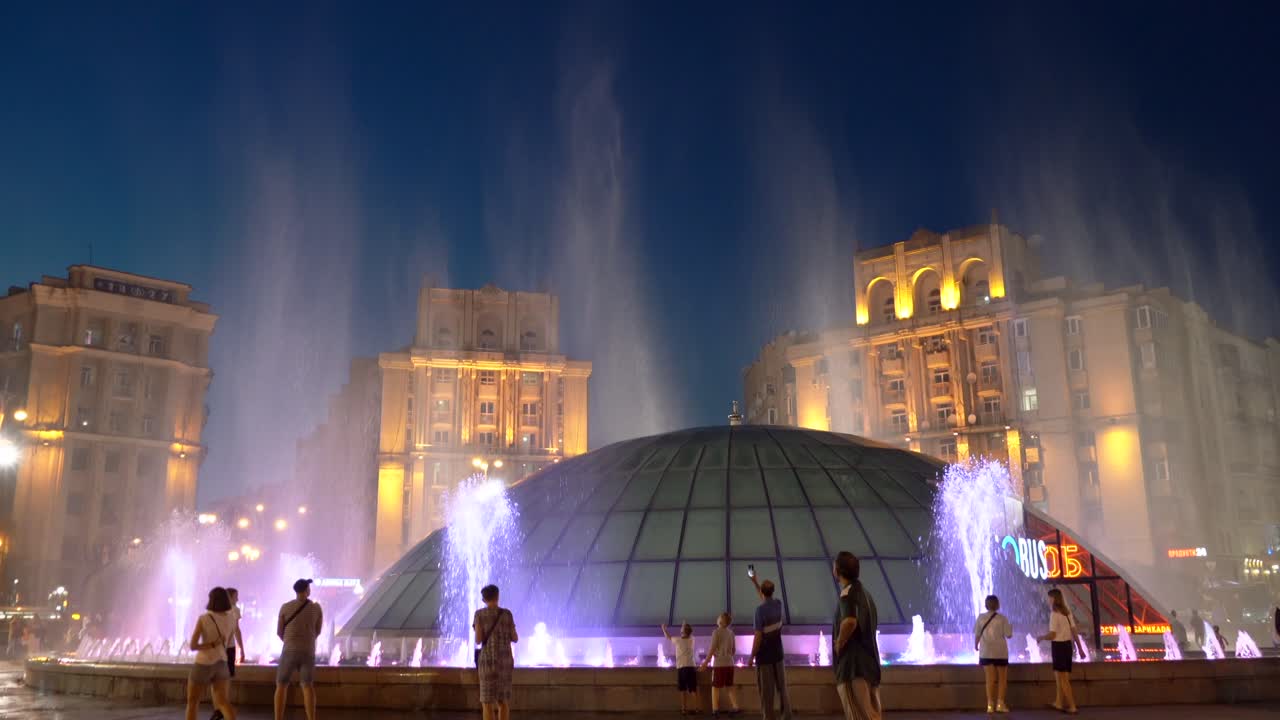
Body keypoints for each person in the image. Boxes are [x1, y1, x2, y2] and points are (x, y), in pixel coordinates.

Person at [832, 551, 881, 720]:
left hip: (853, 668)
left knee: (858, 715)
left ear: (838, 571)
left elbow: (850, 621)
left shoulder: (847, 594)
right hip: (869, 665)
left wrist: (839, 642)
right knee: (872, 715)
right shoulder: (866, 594)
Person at [275, 578, 324, 720]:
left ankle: (278, 718)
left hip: (289, 650)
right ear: (307, 590)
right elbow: (318, 631)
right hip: (308, 651)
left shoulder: (285, 607)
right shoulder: (316, 608)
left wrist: (290, 641)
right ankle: (311, 718)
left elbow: (279, 631)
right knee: (307, 686)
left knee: (281, 685)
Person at [186, 587, 237, 720]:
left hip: (204, 663)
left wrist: (212, 644)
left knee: (193, 702)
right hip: (222, 663)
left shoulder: (204, 618)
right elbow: (228, 639)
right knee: (222, 702)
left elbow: (193, 646)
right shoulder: (231, 618)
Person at [749, 572, 790, 720]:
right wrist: (755, 582)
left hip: (764, 658)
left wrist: (751, 656)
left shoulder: (759, 611)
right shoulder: (778, 604)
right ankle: (786, 716)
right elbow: (765, 598)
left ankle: (769, 717)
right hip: (778, 654)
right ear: (772, 591)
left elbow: (758, 636)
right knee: (782, 689)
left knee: (767, 693)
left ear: (763, 592)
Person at [473, 584, 518, 720]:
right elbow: (515, 638)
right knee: (503, 701)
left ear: (483, 600)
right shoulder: (507, 614)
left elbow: (478, 640)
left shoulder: (479, 614)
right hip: (504, 663)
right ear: (498, 596)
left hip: (487, 662)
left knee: (487, 702)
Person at [1036, 589, 1079, 715]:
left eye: (1049, 598)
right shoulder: (1067, 612)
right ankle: (1059, 702)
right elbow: (1074, 631)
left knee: (1063, 678)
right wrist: (1080, 649)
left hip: (1059, 647)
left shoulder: (1054, 614)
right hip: (1067, 646)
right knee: (1059, 676)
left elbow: (1053, 635)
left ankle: (1072, 706)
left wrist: (1042, 637)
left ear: (1054, 599)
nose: (1048, 600)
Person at [974, 594, 1013, 714]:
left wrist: (976, 645)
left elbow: (977, 634)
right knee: (1002, 679)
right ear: (997, 605)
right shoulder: (1003, 618)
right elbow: (1009, 635)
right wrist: (1011, 627)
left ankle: (990, 705)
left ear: (986, 605)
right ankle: (1000, 703)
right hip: (1000, 652)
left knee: (989, 679)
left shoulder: (980, 617)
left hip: (986, 652)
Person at [210, 588, 245, 720]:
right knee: (226, 680)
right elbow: (237, 630)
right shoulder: (234, 609)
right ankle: (223, 709)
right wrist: (242, 649)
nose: (237, 599)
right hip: (229, 649)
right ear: (229, 597)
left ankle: (217, 710)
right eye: (236, 596)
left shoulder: (214, 610)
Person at [700, 612, 741, 716]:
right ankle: (736, 707)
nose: (717, 618)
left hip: (719, 664)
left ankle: (715, 710)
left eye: (719, 617)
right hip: (730, 663)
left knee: (715, 687)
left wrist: (705, 662)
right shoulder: (731, 633)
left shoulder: (716, 632)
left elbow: (712, 648)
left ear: (721, 621)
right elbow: (734, 650)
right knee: (729, 686)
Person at [662, 622, 701, 715]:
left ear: (682, 631)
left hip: (682, 668)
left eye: (682, 627)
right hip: (691, 667)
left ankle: (684, 709)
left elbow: (668, 637)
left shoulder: (677, 640)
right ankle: (697, 708)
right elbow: (689, 633)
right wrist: (686, 626)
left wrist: (664, 629)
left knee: (682, 689)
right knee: (693, 689)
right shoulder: (692, 639)